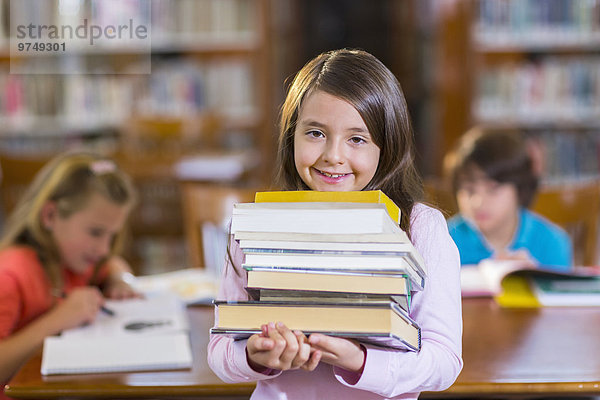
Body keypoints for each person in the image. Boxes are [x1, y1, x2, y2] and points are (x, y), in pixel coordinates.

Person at [207, 49, 463, 400]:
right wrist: (256, 356)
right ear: (291, 136)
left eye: (356, 139)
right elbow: (220, 352)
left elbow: (444, 361)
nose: (333, 155)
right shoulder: (258, 226)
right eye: (315, 133)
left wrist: (360, 361)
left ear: (385, 147)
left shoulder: (421, 227)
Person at [0, 151, 139, 395]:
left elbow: (114, 263)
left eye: (112, 235)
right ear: (50, 215)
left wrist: (119, 279)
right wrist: (57, 320)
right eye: (96, 233)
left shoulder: (73, 260)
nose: (104, 248)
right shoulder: (10, 276)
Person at [445, 127, 573, 270]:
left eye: (493, 189)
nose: (478, 202)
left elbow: (559, 290)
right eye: (469, 190)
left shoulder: (552, 242)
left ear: (520, 189)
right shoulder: (445, 240)